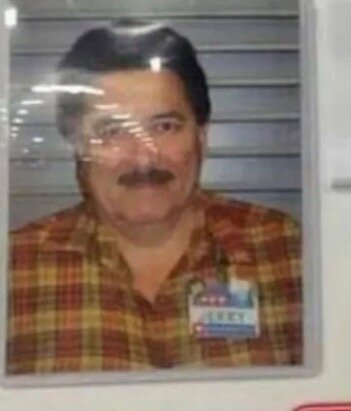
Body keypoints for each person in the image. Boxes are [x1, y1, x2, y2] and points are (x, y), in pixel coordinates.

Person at [7, 20, 302, 375]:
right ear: (79, 148)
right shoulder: (15, 269)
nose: (144, 158)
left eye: (165, 127)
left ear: (202, 138)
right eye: (113, 131)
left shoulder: (286, 252)